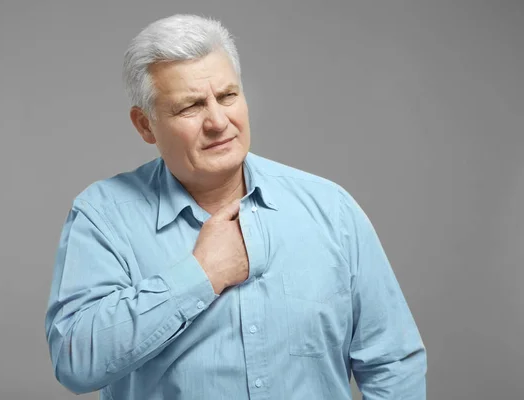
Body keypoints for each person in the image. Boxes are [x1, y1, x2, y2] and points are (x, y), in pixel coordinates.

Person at [44, 14, 427, 400]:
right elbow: (75, 363)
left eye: (227, 96)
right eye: (190, 107)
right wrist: (200, 275)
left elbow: (392, 363)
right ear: (145, 125)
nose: (218, 121)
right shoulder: (104, 217)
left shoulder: (332, 210)